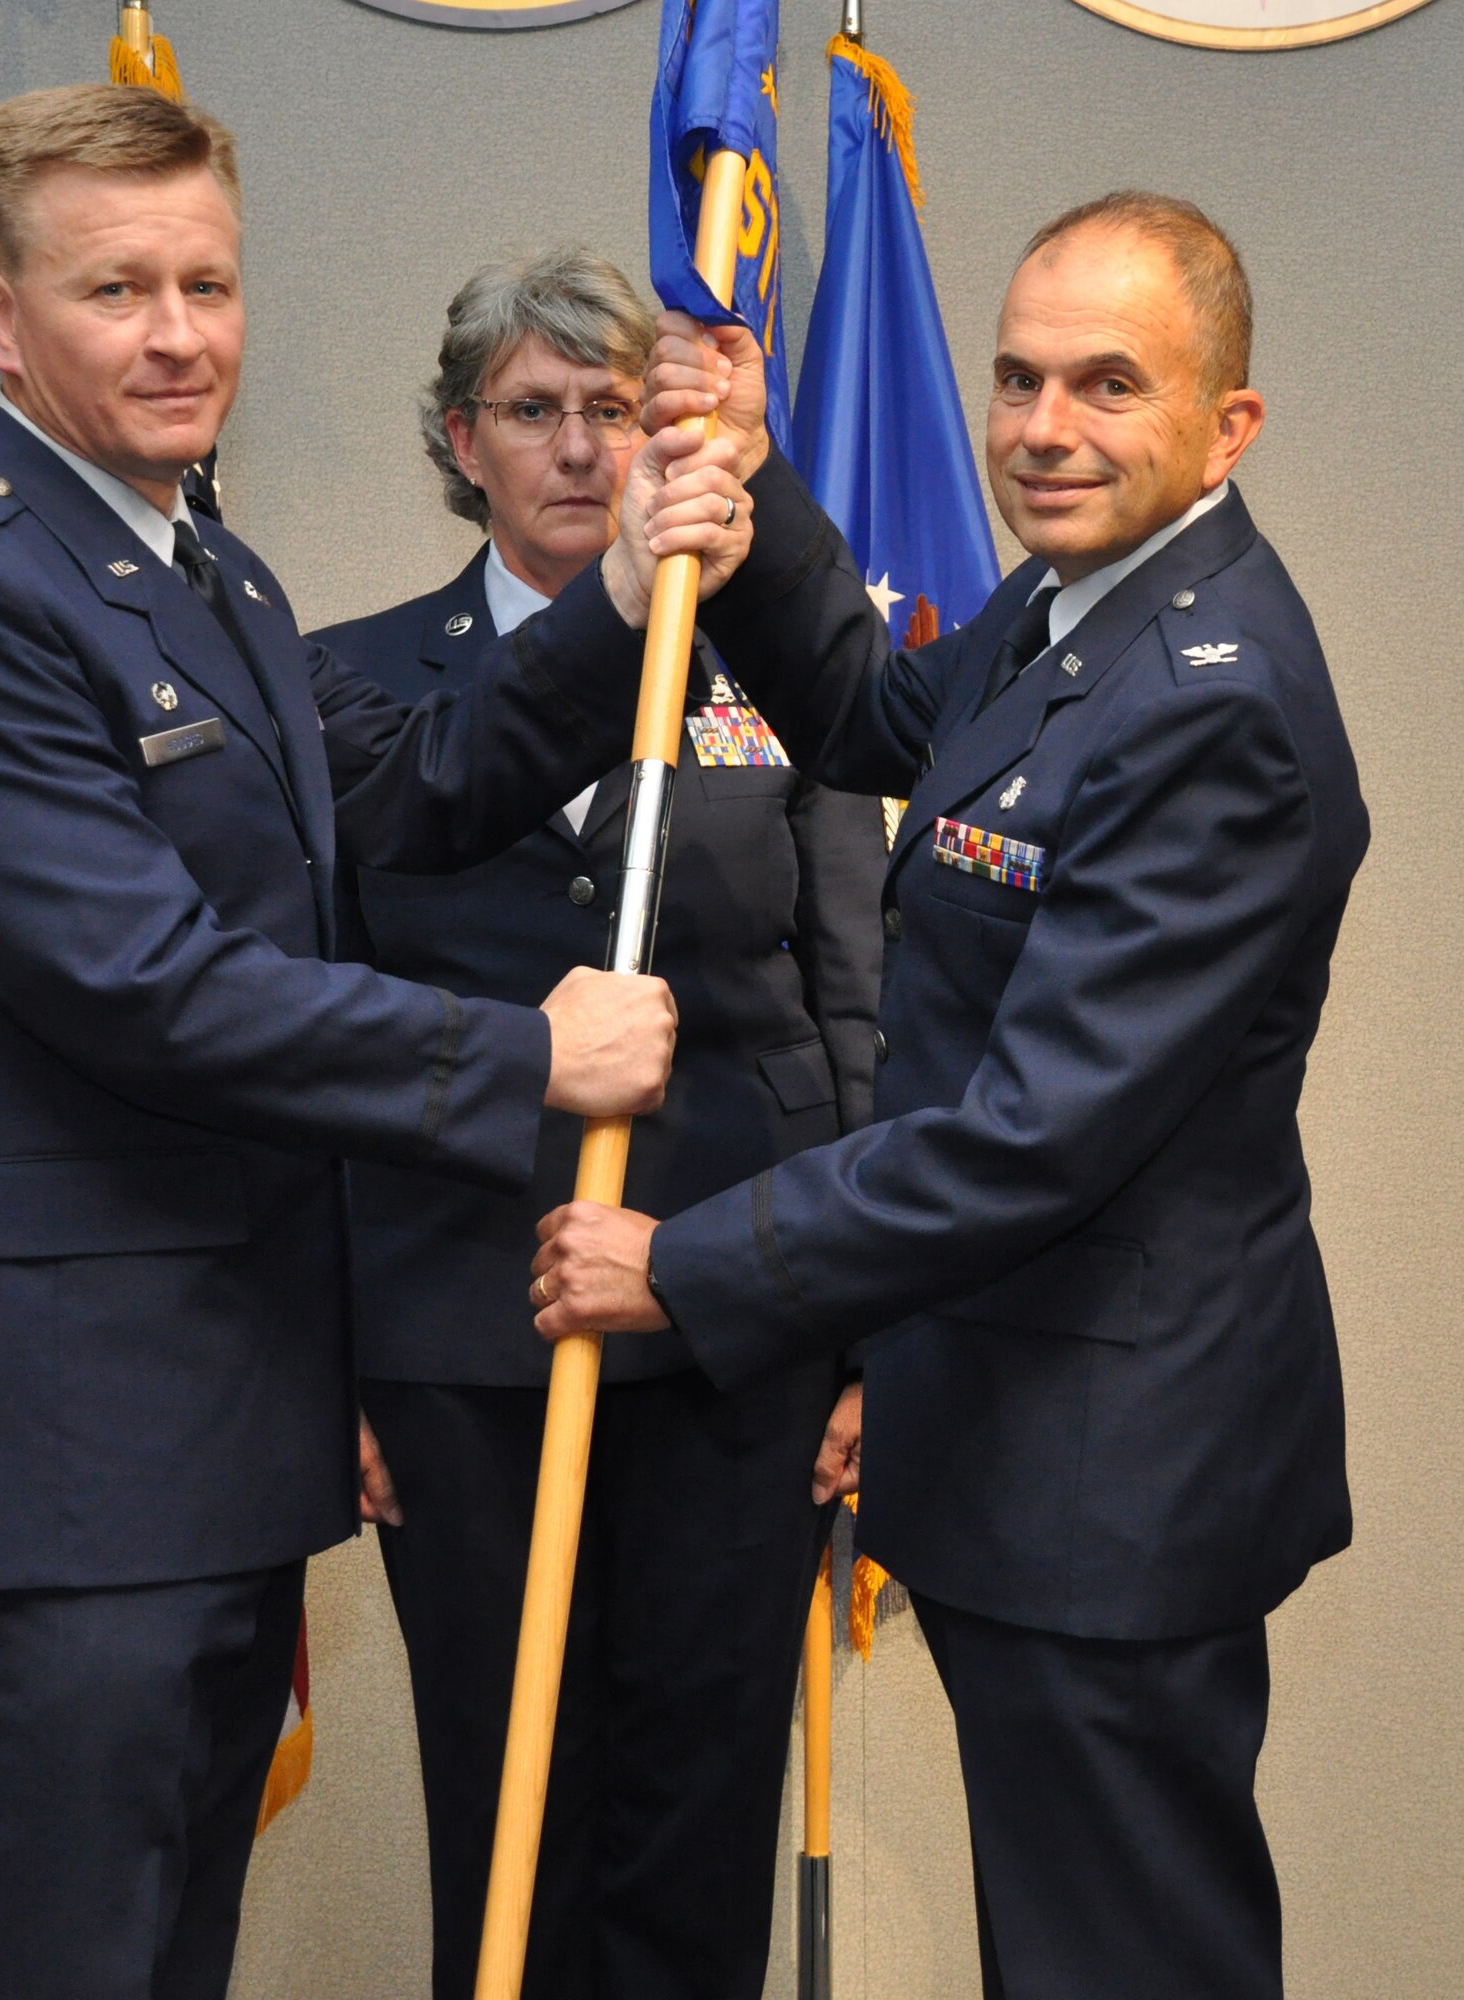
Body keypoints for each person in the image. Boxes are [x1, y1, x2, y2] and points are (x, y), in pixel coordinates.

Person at [0, 84, 752, 2000]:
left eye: (207, 281)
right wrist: (527, 1057)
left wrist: (623, 590)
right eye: (115, 289)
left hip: (197, 1456)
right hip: (35, 1472)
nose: (180, 331)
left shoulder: (205, 564)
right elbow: (147, 982)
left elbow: (417, 786)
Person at [535, 193, 1369, 2000]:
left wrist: (684, 1260)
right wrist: (749, 488)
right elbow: (872, 716)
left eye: (1106, 386)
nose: (1041, 429)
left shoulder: (1209, 701)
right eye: (1015, 378)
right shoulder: (1085, 610)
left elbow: (1033, 1135)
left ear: (1230, 422)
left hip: (1119, 1476)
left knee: (1119, 1960)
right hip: (1032, 1441)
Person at [313, 248, 885, 2000]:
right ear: (460, 440)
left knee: (695, 1814)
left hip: (735, 1318)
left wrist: (867, 1330)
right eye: (535, 412)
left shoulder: (772, 664)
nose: (580, 447)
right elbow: (306, 1041)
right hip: (464, 1335)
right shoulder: (345, 684)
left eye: (617, 409)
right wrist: (327, 1359)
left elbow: (858, 1005)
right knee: (509, 1815)